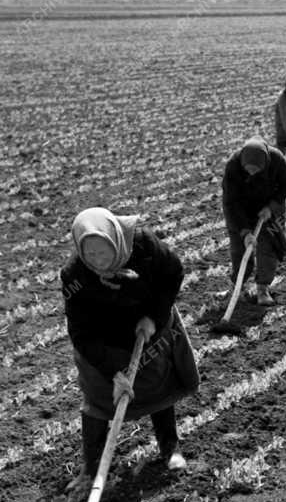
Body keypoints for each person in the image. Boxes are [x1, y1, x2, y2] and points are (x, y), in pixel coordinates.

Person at [61, 207, 200, 485]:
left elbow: (173, 273)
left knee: (159, 388)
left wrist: (155, 317)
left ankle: (170, 448)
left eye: (104, 252)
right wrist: (115, 372)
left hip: (147, 327)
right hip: (103, 340)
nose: (99, 262)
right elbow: (81, 332)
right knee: (97, 401)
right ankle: (90, 470)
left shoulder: (144, 246)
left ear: (116, 240)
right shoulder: (75, 276)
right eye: (91, 255)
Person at [221, 137, 286, 306]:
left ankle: (262, 289)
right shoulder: (233, 166)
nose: (252, 174)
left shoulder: (276, 160)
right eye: (249, 171)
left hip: (268, 206)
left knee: (269, 246)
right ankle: (237, 286)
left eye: (256, 170)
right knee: (239, 249)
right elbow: (231, 203)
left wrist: (272, 206)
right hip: (241, 209)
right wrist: (245, 232)